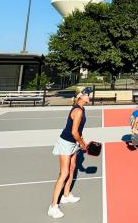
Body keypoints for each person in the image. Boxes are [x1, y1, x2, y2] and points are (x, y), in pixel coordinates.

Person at [48, 87, 92, 219]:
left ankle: (66, 195)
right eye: (88, 94)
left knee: (73, 168)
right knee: (64, 173)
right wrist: (83, 144)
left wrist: (81, 141)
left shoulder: (82, 108)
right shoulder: (78, 111)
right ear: (81, 96)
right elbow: (73, 132)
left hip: (74, 143)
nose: (90, 96)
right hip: (66, 142)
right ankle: (53, 206)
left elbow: (78, 130)